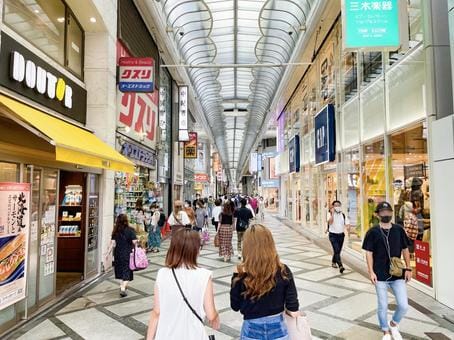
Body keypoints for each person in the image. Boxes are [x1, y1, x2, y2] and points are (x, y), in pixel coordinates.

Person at [147, 228, 220, 339]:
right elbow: (211, 314)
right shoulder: (204, 276)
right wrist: (216, 316)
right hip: (193, 335)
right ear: (195, 250)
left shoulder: (162, 274)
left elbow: (156, 312)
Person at [230, 224, 300, 340]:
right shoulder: (283, 270)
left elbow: (235, 306)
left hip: (251, 328)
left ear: (246, 247)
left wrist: (236, 278)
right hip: (278, 328)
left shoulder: (240, 273)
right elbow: (293, 309)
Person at [362, 201, 411, 340]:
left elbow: (405, 249)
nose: (386, 214)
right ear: (377, 215)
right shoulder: (373, 232)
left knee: (403, 305)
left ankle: (393, 323)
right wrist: (371, 272)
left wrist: (408, 268)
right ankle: (386, 331)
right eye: (383, 212)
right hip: (380, 275)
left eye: (388, 212)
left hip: (397, 274)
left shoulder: (399, 230)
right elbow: (369, 253)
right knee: (382, 305)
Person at [106, 214, 138, 297]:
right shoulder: (130, 230)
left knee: (120, 271)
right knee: (127, 271)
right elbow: (134, 242)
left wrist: (107, 254)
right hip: (128, 253)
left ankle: (122, 286)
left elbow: (112, 243)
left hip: (118, 253)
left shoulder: (115, 231)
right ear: (126, 220)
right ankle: (123, 287)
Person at [326, 200, 350, 273]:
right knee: (336, 250)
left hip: (341, 235)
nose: (337, 207)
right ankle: (340, 266)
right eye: (336, 205)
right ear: (333, 206)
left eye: (339, 205)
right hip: (333, 235)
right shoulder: (329, 214)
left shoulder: (343, 214)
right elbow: (330, 222)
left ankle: (333, 262)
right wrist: (332, 213)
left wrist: (348, 228)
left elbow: (347, 224)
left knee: (337, 251)